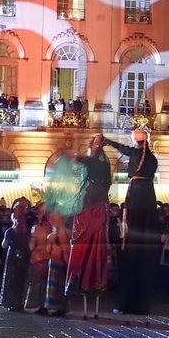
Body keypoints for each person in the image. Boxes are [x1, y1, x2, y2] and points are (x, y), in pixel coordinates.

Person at [106, 129, 158, 315]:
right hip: (148, 199)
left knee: (130, 250)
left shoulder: (137, 156)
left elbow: (123, 149)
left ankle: (126, 301)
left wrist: (107, 141)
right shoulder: (152, 159)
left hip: (137, 197)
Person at [67, 134, 113, 316]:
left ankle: (81, 280)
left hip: (92, 206)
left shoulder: (94, 162)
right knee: (92, 249)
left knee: (88, 247)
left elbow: (81, 162)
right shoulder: (103, 163)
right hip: (97, 205)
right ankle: (89, 281)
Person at [0, 208, 31, 312]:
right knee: (20, 279)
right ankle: (19, 303)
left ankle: (11, 303)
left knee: (11, 280)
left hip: (12, 256)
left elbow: (4, 245)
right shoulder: (25, 231)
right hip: (22, 256)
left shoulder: (10, 231)